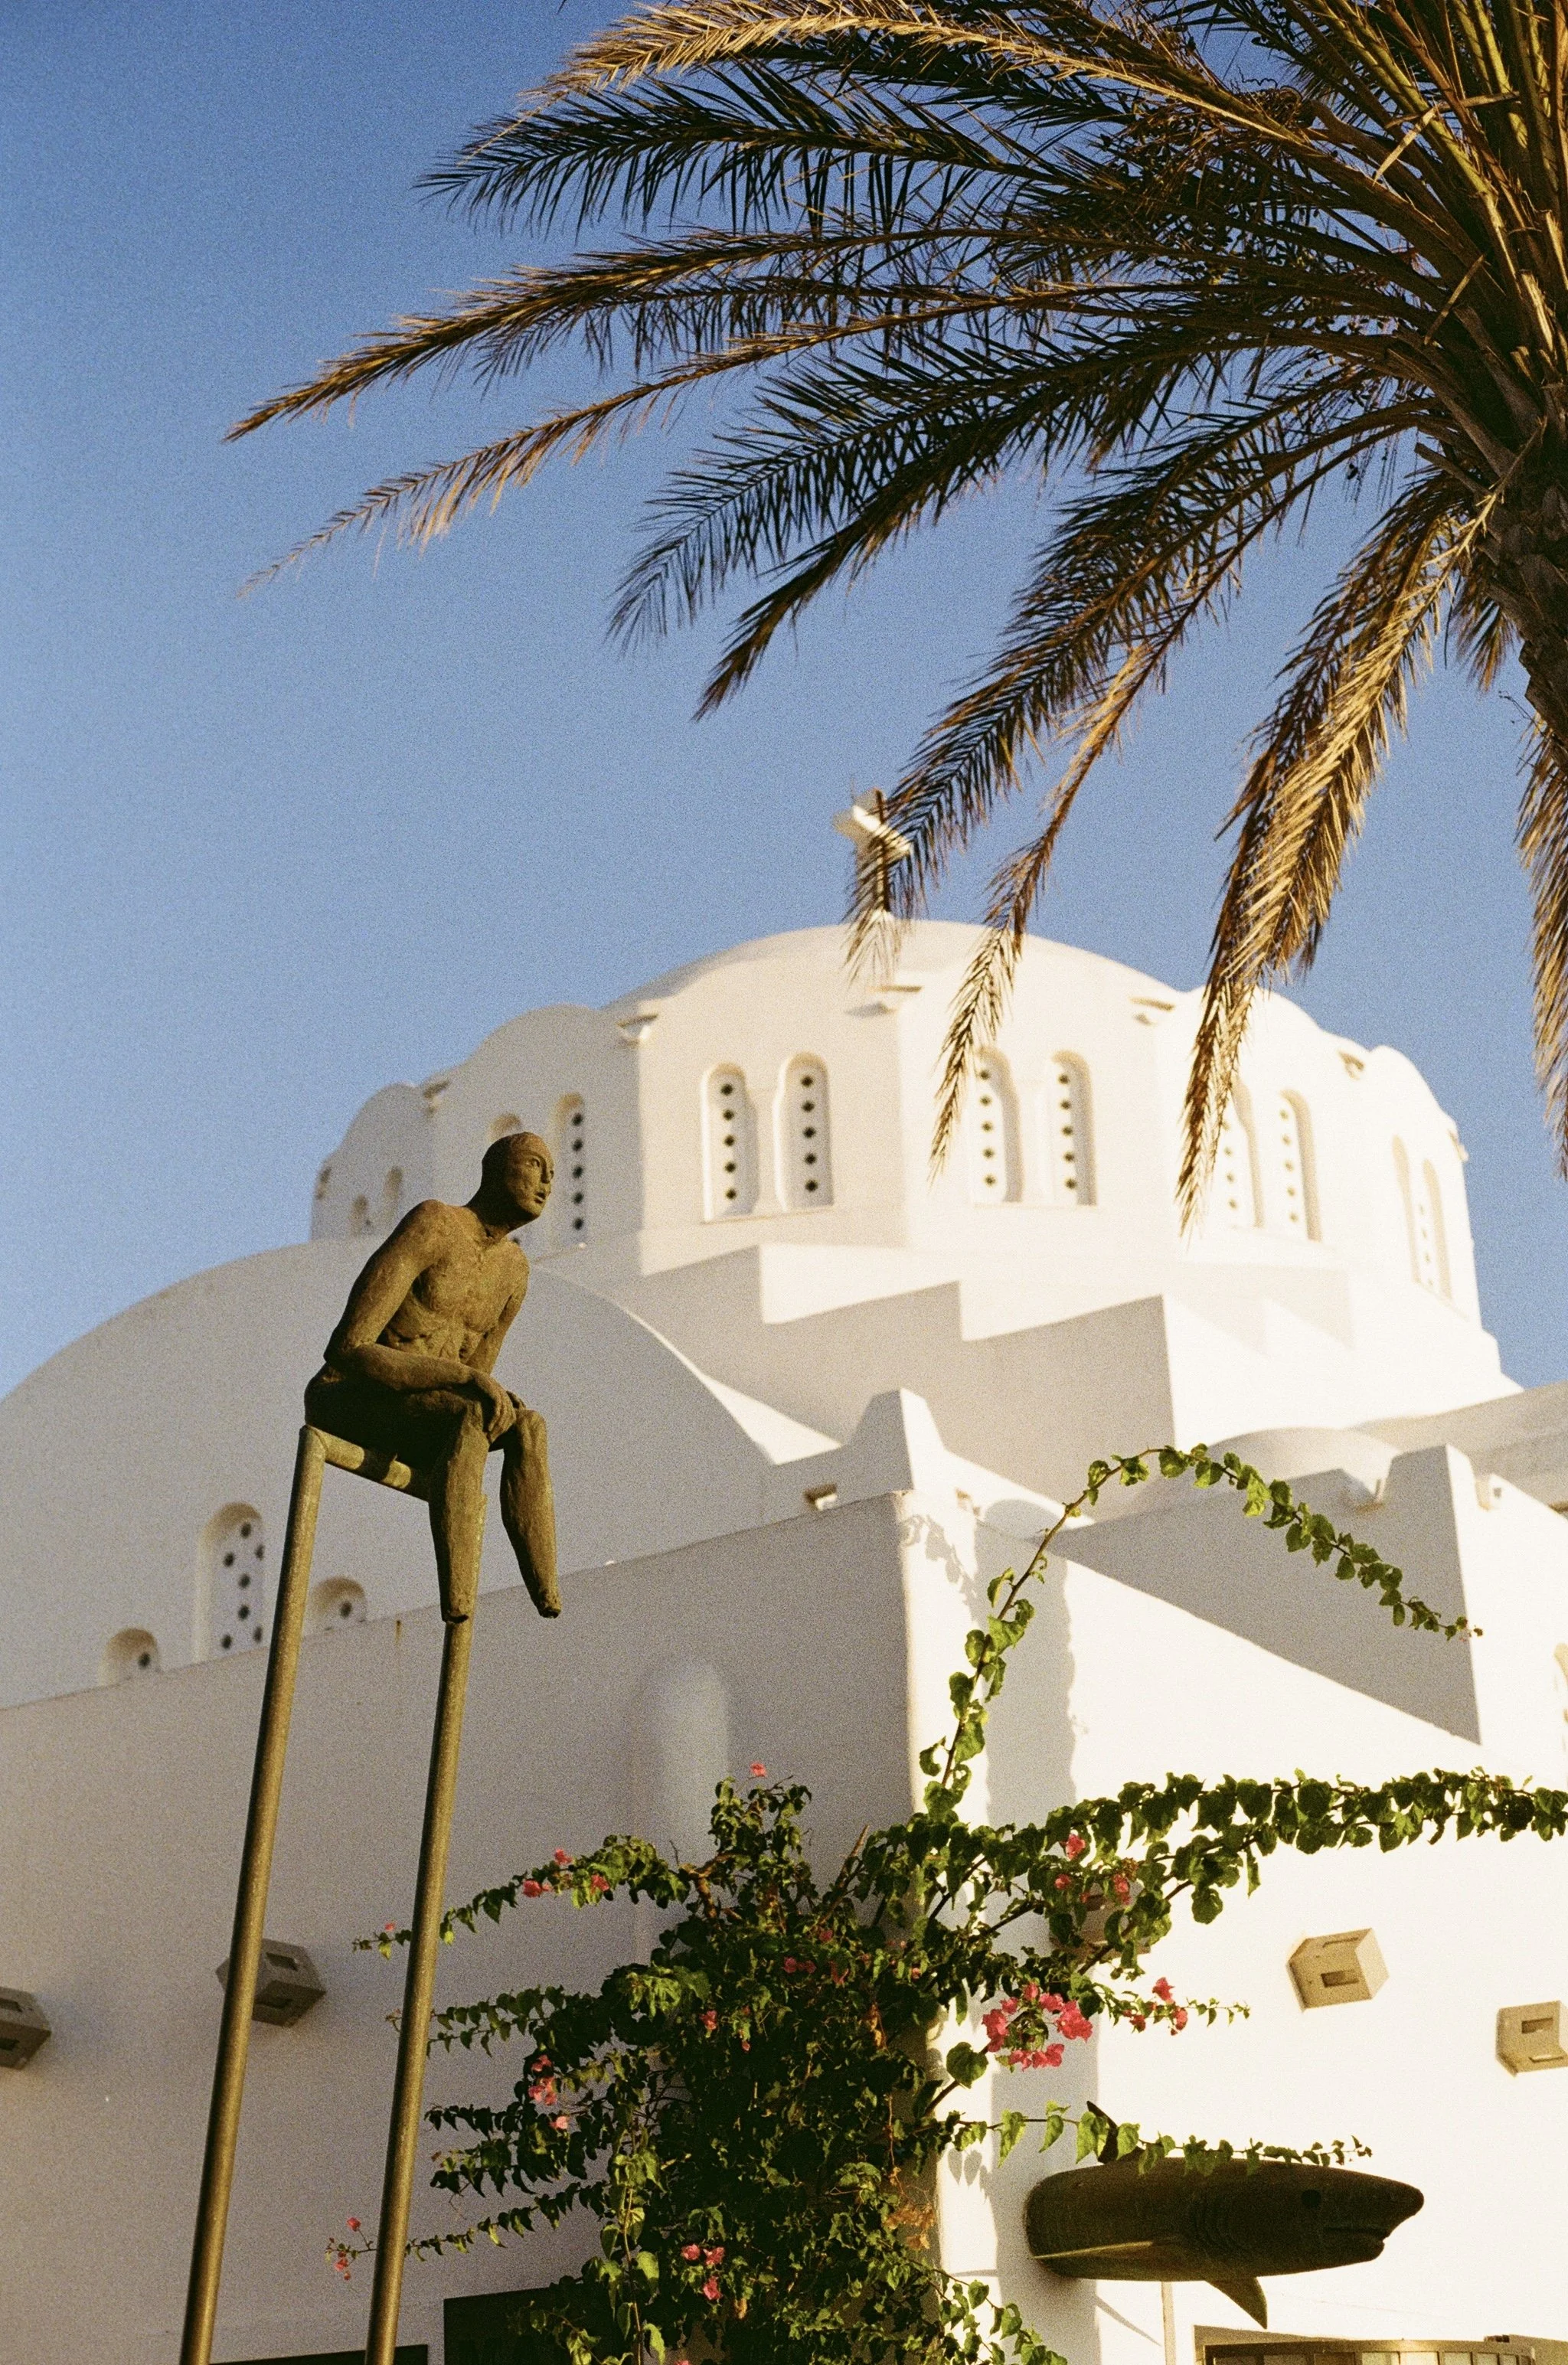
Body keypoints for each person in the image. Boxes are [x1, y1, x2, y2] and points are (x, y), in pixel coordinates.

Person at [303, 1130, 558, 1622]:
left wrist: (487, 1392)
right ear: (495, 1170)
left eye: (552, 1173)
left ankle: (546, 1590)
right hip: (348, 1395)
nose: (546, 1182)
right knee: (469, 1411)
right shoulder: (435, 1224)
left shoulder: (514, 1272)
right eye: (533, 1165)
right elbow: (349, 1347)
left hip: (419, 1411)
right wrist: (469, 1383)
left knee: (528, 1425)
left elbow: (475, 1373)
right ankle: (459, 1598)